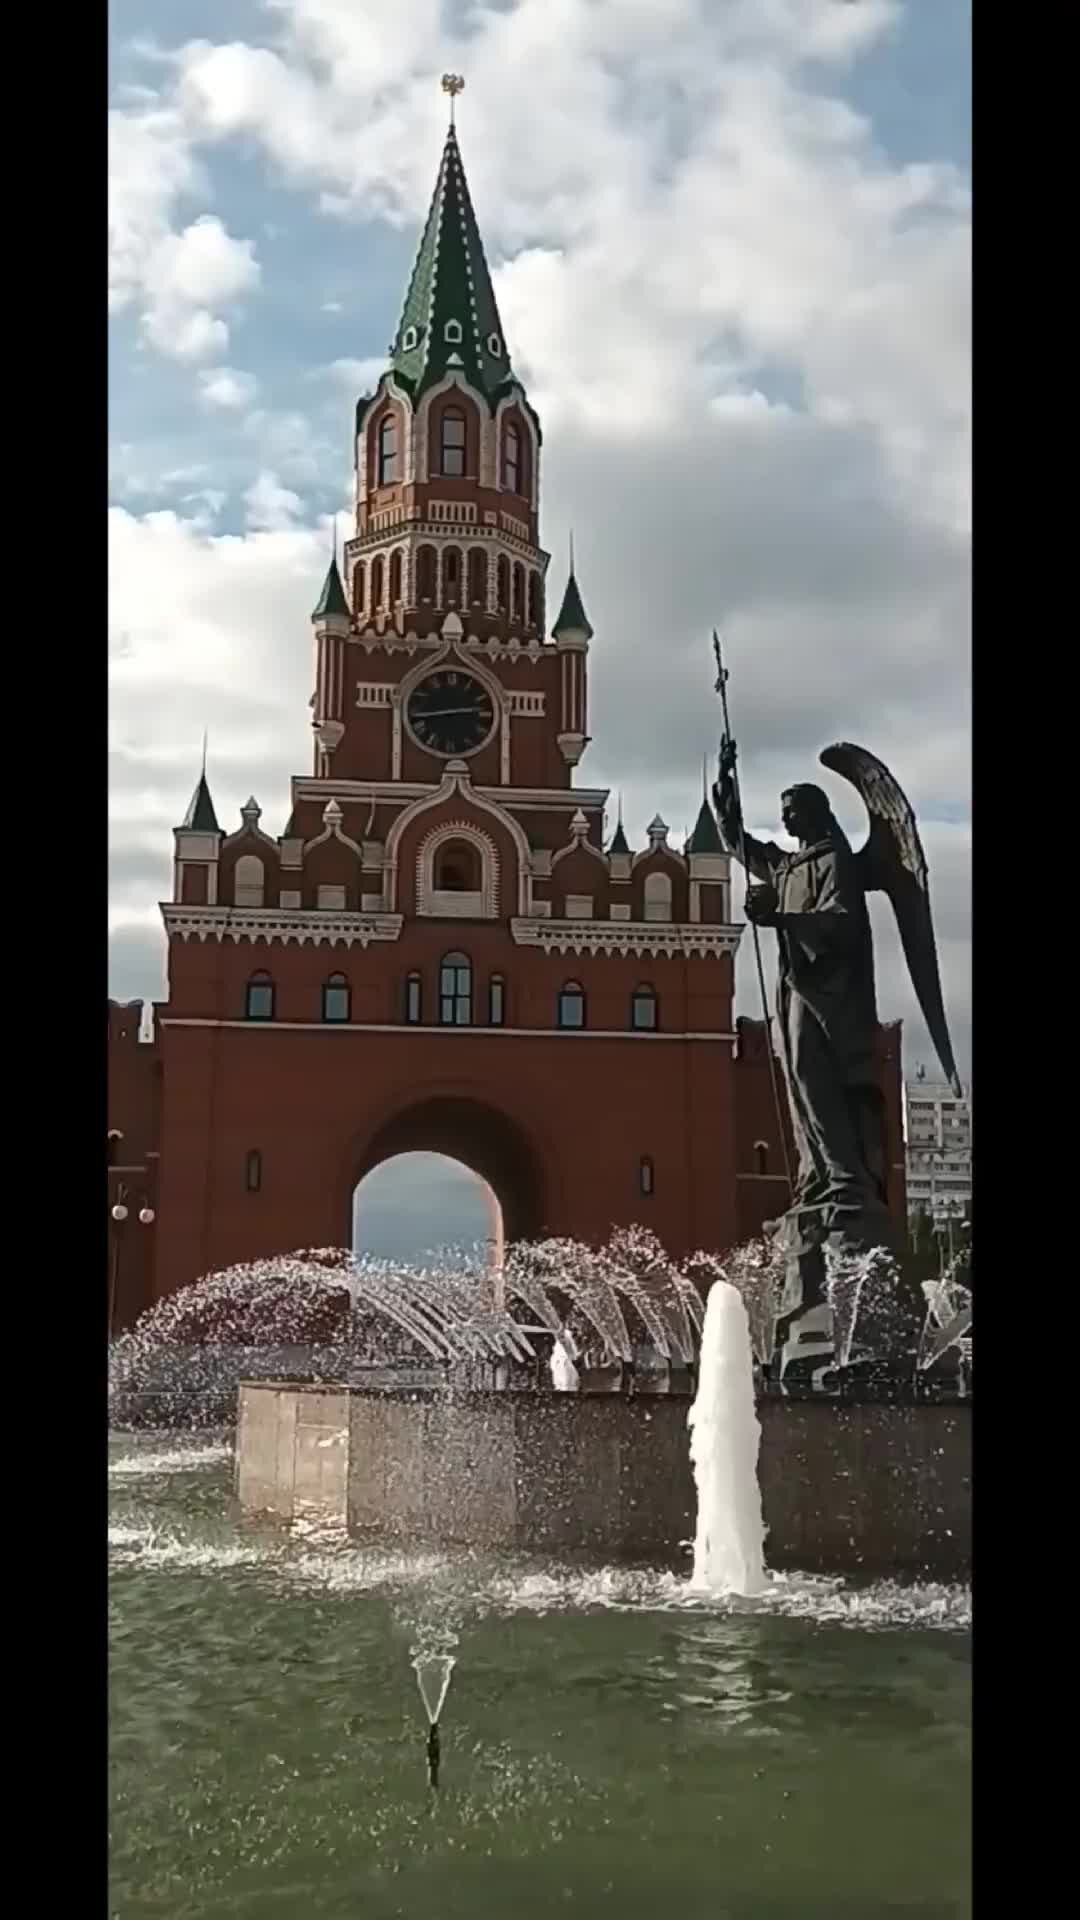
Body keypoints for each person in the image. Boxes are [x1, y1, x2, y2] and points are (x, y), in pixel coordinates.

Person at [713, 739, 891, 1282]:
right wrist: (726, 798)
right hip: (797, 988)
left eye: (794, 812)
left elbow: (838, 923)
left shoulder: (835, 860)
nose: (787, 820)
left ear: (816, 813)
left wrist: (780, 921)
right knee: (796, 1083)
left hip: (832, 998)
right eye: (784, 813)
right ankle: (816, 1176)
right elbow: (743, 848)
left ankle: (845, 1179)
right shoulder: (790, 866)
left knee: (817, 1078)